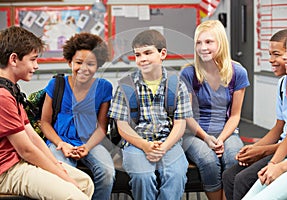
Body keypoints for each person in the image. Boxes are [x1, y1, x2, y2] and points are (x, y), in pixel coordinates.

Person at [0, 26, 94, 199]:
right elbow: (26, 150)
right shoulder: (2, 96)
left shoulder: (11, 90)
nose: (36, 66)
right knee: (75, 195)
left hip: (18, 162)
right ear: (14, 59)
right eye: (33, 59)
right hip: (6, 170)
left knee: (84, 183)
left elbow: (33, 137)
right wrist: (64, 178)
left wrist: (57, 166)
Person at [108, 29, 193, 200]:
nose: (142, 59)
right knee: (143, 177)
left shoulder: (177, 85)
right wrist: (145, 146)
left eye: (148, 52)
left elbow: (180, 124)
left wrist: (164, 146)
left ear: (162, 54)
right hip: (135, 143)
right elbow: (122, 126)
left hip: (169, 142)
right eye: (138, 54)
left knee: (175, 175)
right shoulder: (126, 86)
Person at [222, 28, 287, 200]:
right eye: (269, 54)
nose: (271, 60)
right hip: (283, 147)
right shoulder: (284, 85)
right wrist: (254, 149)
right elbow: (280, 127)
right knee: (229, 176)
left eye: (276, 54)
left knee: (242, 180)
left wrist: (263, 152)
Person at [180, 20, 250, 200]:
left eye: (209, 42)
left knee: (234, 158)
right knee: (208, 160)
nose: (203, 47)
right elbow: (186, 116)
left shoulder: (238, 72)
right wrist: (207, 138)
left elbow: (235, 116)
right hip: (194, 134)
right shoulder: (188, 74)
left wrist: (220, 139)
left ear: (221, 42)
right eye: (199, 42)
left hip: (226, 132)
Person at [40, 32, 114, 200]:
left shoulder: (104, 87)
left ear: (98, 66)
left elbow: (102, 127)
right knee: (65, 175)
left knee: (108, 173)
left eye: (91, 64)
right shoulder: (56, 84)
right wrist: (61, 144)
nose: (84, 68)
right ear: (69, 62)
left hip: (90, 142)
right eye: (79, 62)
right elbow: (44, 122)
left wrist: (87, 147)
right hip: (59, 142)